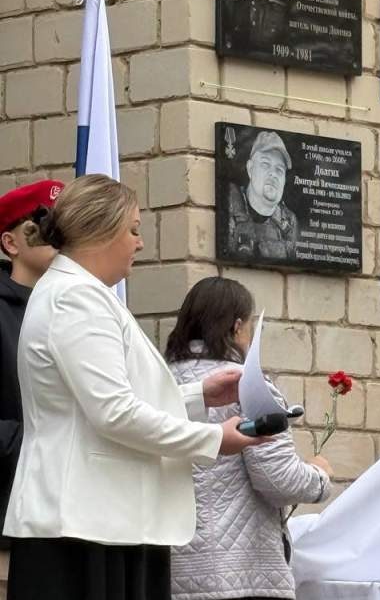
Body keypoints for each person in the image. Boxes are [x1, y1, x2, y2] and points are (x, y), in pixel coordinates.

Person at [3, 175, 269, 600]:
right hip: (83, 526)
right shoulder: (75, 298)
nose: (140, 243)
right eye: (132, 230)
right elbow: (114, 413)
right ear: (101, 232)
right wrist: (213, 439)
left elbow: (102, 401)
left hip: (105, 521)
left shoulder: (83, 293)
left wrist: (199, 396)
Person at [165, 276, 333, 600]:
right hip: (241, 573)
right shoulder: (246, 385)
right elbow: (279, 480)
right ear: (237, 326)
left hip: (171, 571)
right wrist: (319, 475)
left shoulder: (160, 384)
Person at [0, 180, 63, 547]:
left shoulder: (76, 305)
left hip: (69, 519)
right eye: (44, 223)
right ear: (11, 243)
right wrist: (37, 439)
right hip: (11, 514)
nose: (57, 234)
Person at [228, 130, 299, 261]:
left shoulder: (289, 222)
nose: (273, 174)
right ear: (250, 169)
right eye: (265, 164)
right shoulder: (228, 204)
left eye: (279, 170)